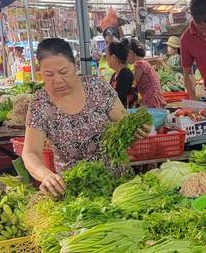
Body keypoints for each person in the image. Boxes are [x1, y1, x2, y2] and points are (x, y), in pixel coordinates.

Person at [23, 37, 143, 197]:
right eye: (49, 75)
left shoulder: (97, 87)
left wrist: (137, 128)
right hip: (74, 191)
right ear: (40, 73)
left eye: (63, 72)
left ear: (75, 65)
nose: (57, 80)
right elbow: (30, 152)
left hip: (119, 186)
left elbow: (124, 122)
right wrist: (46, 175)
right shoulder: (40, 103)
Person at [127, 39, 165, 108]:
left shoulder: (139, 64)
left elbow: (134, 82)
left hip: (151, 97)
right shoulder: (143, 62)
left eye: (126, 55)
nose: (126, 59)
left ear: (131, 53)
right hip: (154, 96)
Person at [106, 40, 137, 108]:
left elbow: (119, 99)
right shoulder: (115, 74)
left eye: (107, 56)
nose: (106, 59)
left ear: (113, 57)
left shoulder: (125, 74)